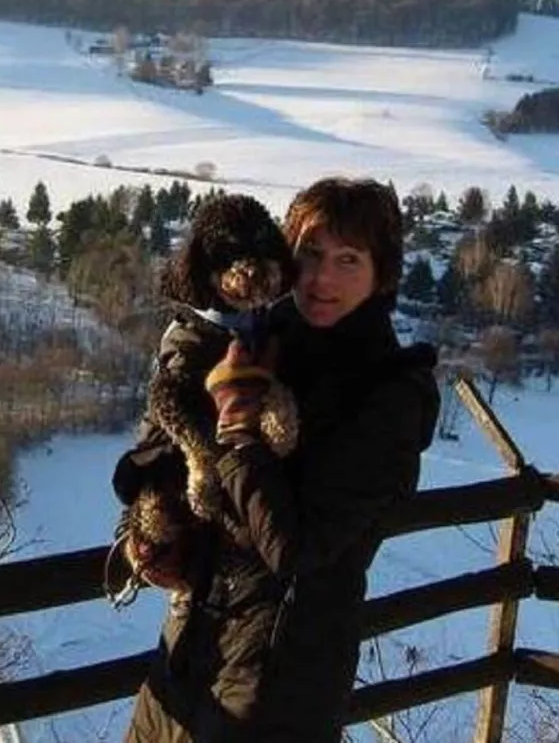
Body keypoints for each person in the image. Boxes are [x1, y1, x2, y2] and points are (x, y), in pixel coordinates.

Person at [125, 176, 442, 743]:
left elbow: (294, 550)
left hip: (282, 678)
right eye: (311, 254)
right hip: (191, 640)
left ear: (381, 272)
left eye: (348, 260)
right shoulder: (254, 335)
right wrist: (149, 530)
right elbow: (155, 450)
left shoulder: (390, 392)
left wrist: (238, 432)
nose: (322, 278)